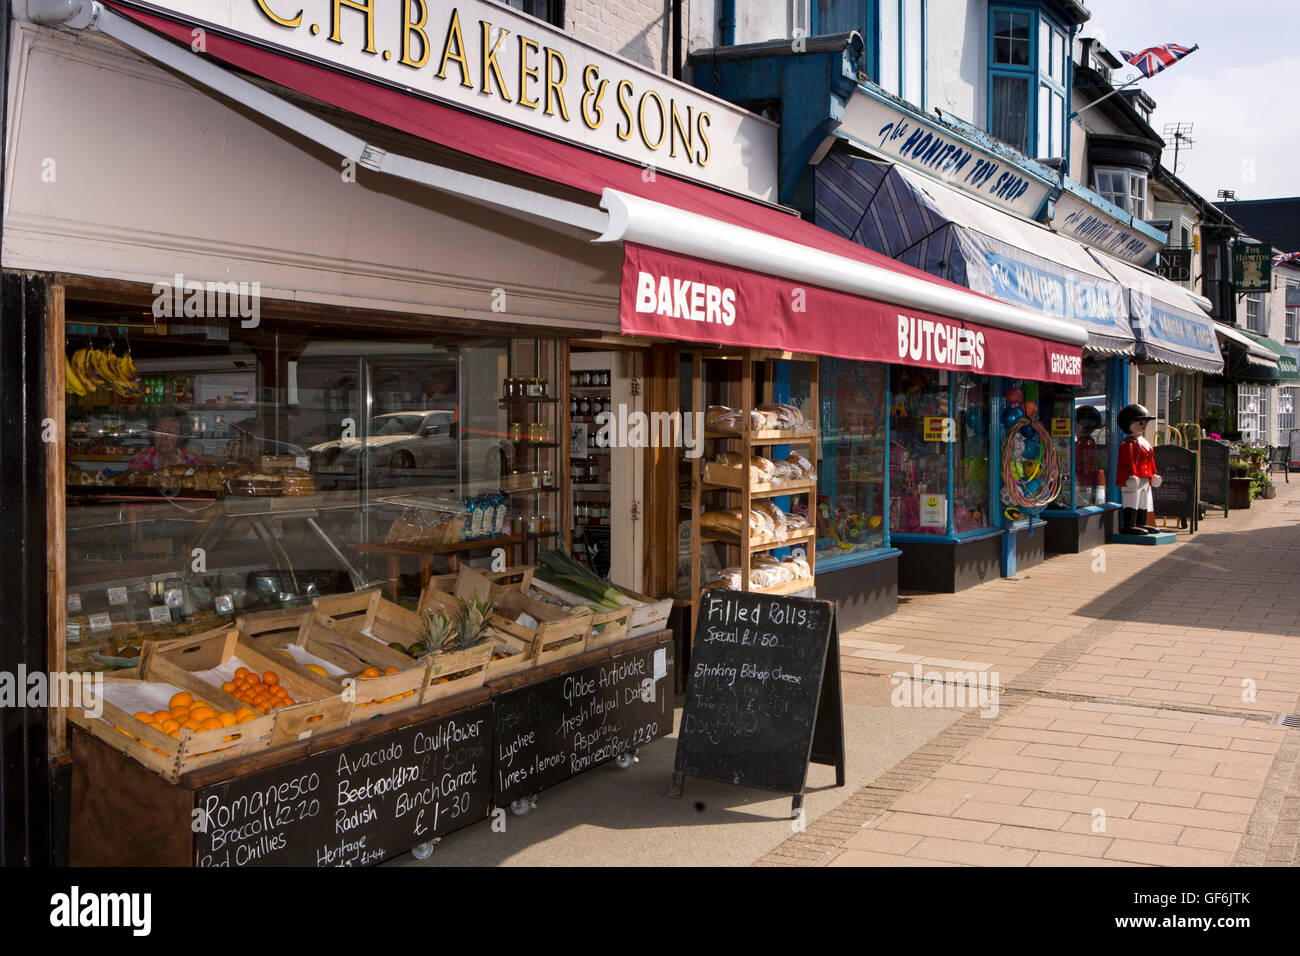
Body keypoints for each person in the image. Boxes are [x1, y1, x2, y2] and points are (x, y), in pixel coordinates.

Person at [128, 415, 203, 471]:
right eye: (159, 432)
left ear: (179, 437)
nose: (164, 437)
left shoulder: (193, 462)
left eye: (170, 432)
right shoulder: (139, 460)